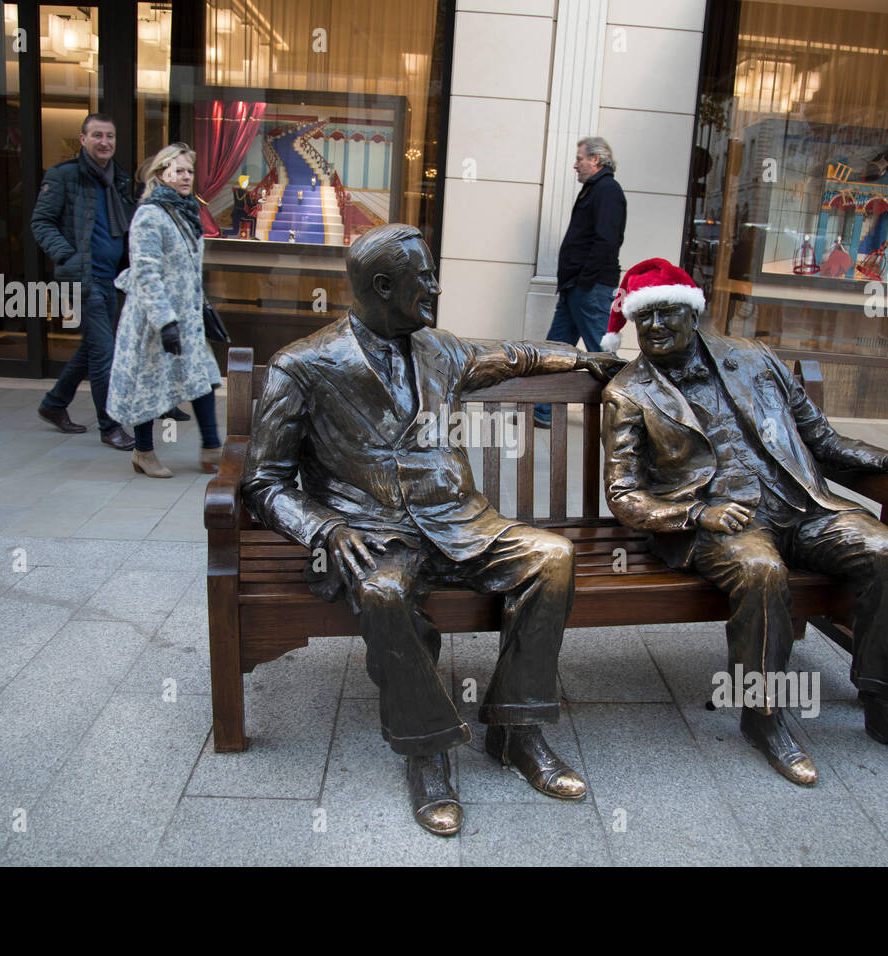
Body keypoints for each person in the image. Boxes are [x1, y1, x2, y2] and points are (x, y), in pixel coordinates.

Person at [241, 223, 623, 836]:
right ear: (384, 285)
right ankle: (427, 751)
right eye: (423, 279)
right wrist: (323, 529)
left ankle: (515, 731)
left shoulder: (439, 349)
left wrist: (581, 357)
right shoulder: (304, 365)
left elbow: (512, 357)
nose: (436, 287)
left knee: (552, 557)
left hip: (460, 521)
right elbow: (261, 482)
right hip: (372, 531)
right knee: (384, 593)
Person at [601, 258, 888, 786]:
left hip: (804, 507)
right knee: (762, 571)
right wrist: (696, 512)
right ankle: (762, 716)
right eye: (643, 318)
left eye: (667, 313)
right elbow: (624, 495)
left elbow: (823, 441)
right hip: (720, 524)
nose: (655, 327)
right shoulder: (627, 393)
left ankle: (887, 706)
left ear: (694, 314)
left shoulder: (756, 359)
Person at [107, 143, 223, 479]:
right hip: (155, 318)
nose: (186, 176)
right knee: (149, 386)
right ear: (161, 173)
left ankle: (212, 447)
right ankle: (143, 452)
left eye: (189, 171)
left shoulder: (184, 211)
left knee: (202, 379)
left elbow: (188, 269)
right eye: (179, 170)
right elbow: (145, 273)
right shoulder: (150, 214)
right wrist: (165, 322)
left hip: (186, 316)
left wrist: (198, 308)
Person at [31, 113, 136, 450]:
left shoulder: (116, 179)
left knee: (92, 346)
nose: (104, 142)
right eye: (97, 136)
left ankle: (54, 404)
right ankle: (110, 426)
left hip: (111, 279)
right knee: (104, 353)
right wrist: (67, 255)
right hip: (83, 278)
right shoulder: (64, 176)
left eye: (110, 136)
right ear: (83, 139)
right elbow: (41, 222)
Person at [535, 136, 627, 429]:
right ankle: (542, 411)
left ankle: (626, 413)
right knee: (554, 351)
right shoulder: (594, 190)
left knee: (602, 357)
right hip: (576, 288)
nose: (575, 165)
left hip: (589, 288)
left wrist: (585, 279)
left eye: (579, 158)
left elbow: (607, 240)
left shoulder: (608, 191)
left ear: (595, 160)